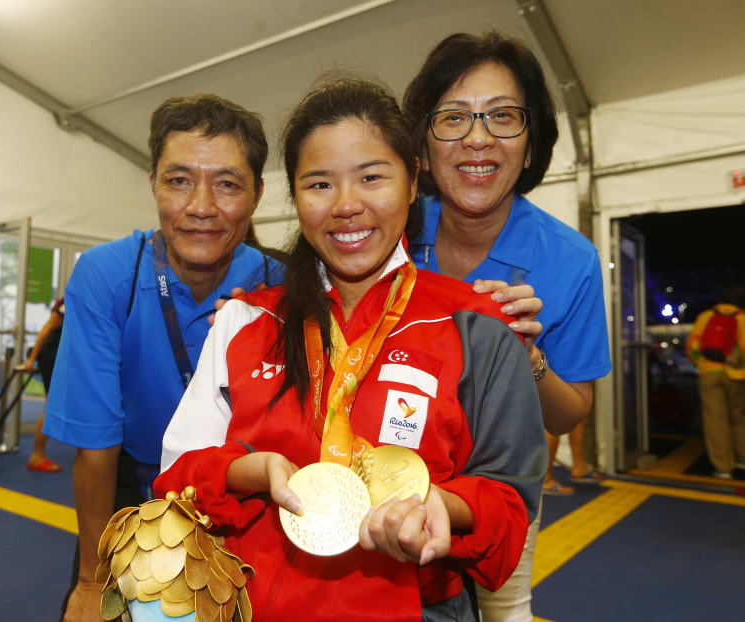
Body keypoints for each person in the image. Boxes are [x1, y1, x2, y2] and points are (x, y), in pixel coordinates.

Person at [156, 77, 547, 622]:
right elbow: (177, 474)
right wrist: (253, 470)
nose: (345, 205)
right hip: (247, 605)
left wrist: (443, 507)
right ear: (294, 196)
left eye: (371, 177)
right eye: (318, 184)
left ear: (413, 182)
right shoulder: (247, 319)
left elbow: (510, 501)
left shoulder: (477, 326)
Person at [43, 94, 282, 622]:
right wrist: (90, 581)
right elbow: (97, 443)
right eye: (178, 181)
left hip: (246, 503)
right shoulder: (109, 275)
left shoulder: (281, 285)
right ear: (152, 182)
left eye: (227, 183)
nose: (201, 206)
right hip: (135, 496)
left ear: (258, 194)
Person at [403, 31, 611, 621]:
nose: (477, 137)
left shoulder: (569, 260)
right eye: (453, 117)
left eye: (502, 116)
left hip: (502, 490)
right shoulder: (387, 231)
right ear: (422, 137)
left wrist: (528, 358)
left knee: (504, 612)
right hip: (387, 476)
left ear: (531, 138)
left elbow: (571, 413)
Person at [685, 284, 745, 479]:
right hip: (736, 375)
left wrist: (701, 363)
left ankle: (723, 468)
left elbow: (692, 346)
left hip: (709, 372)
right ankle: (741, 458)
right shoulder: (742, 318)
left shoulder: (706, 317)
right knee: (738, 417)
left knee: (715, 420)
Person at [19, 296, 65, 472]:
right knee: (50, 405)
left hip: (60, 357)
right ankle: (37, 455)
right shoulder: (66, 302)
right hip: (52, 357)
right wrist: (31, 360)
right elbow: (46, 329)